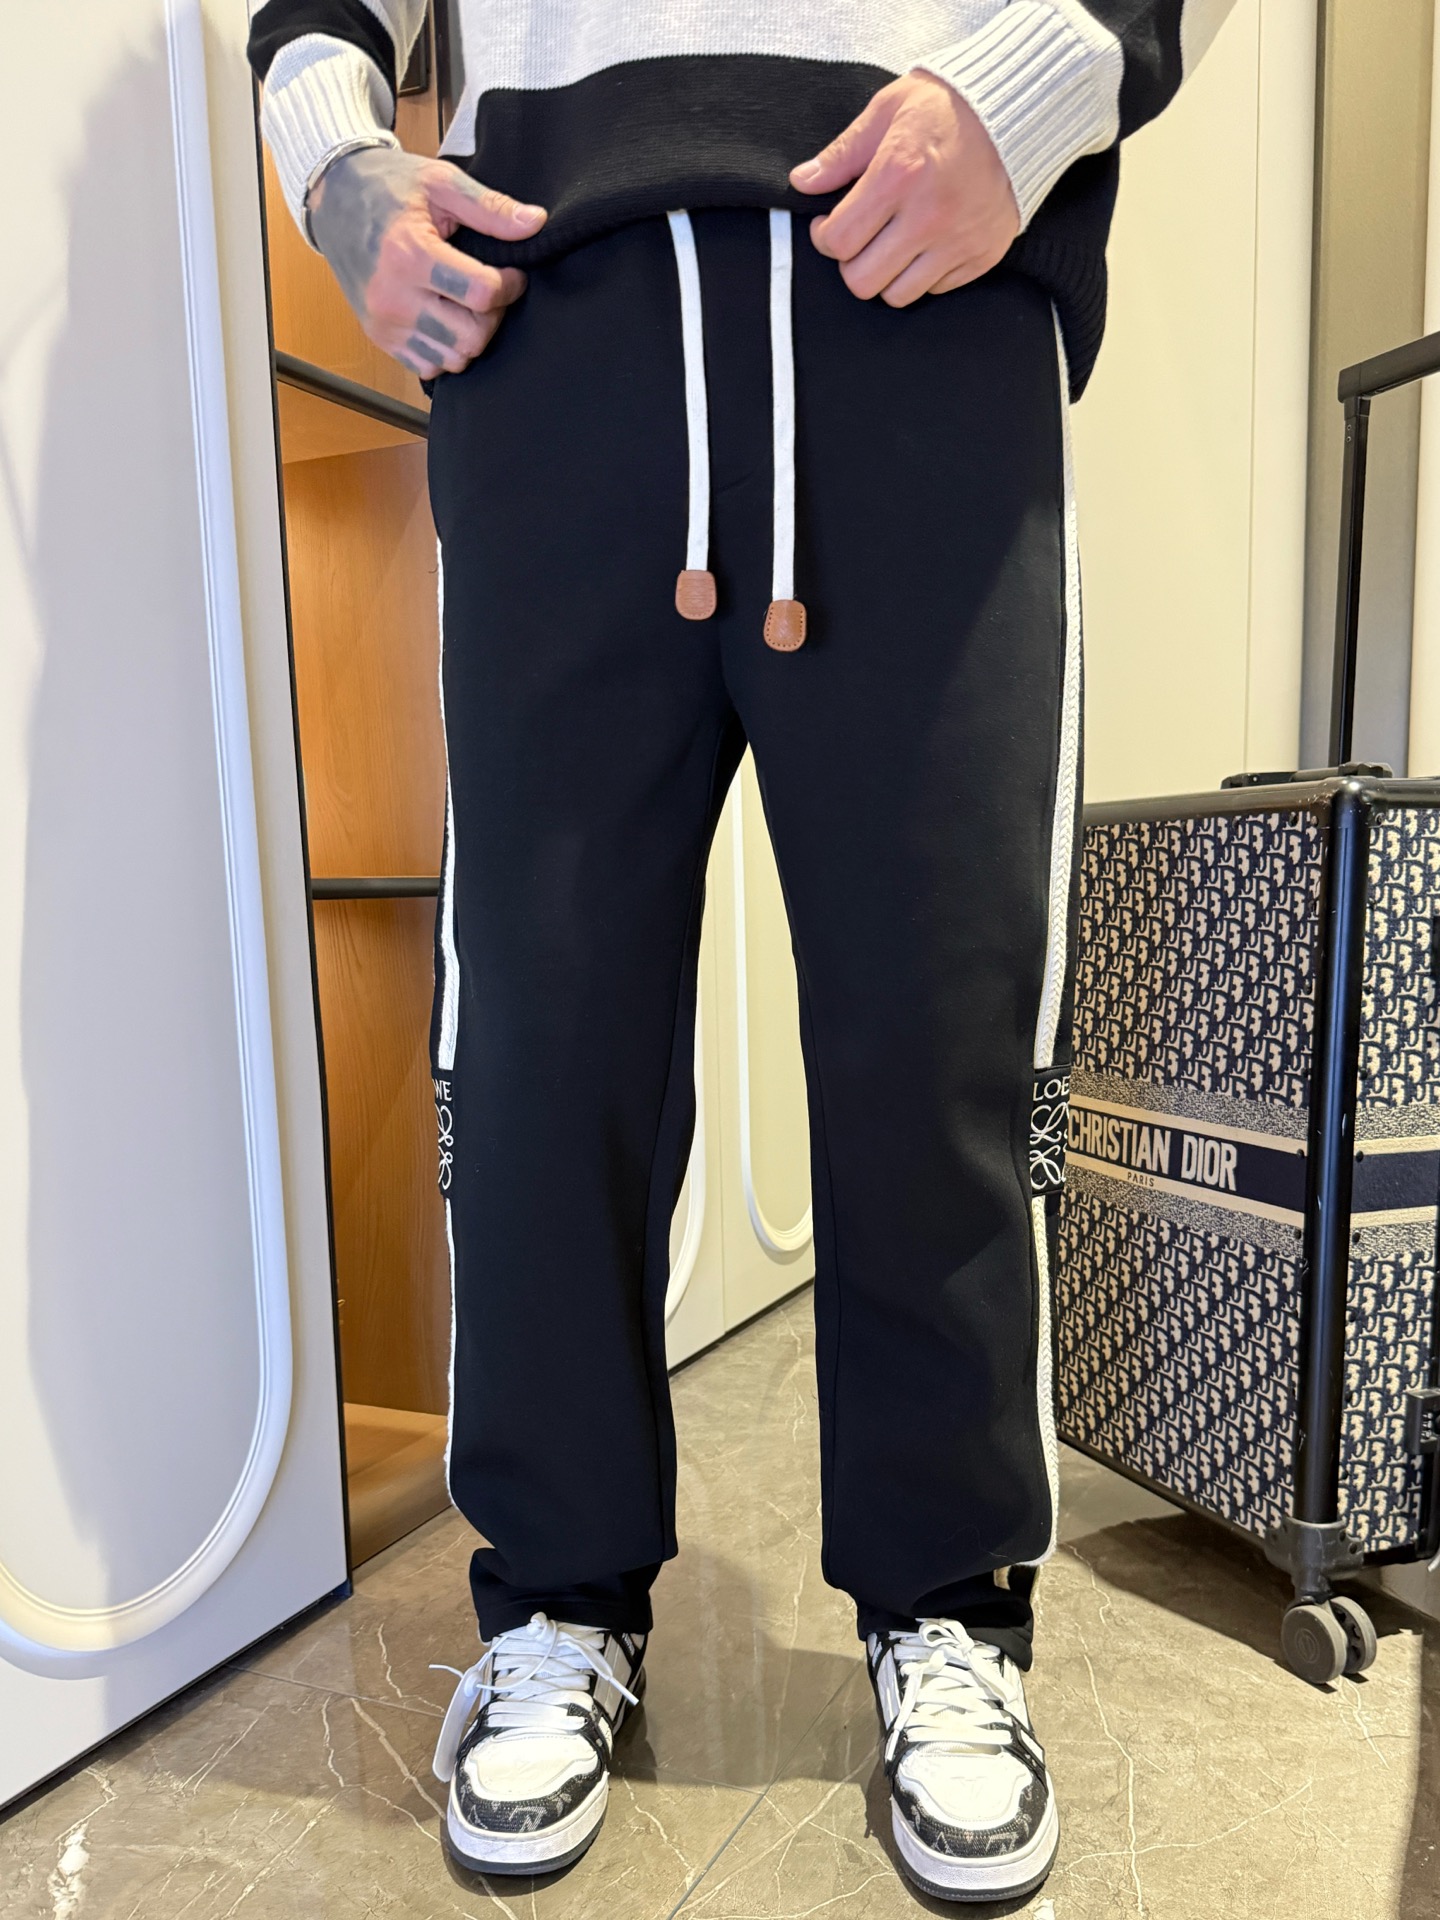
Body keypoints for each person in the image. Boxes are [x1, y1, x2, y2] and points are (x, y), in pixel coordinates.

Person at [248, 1, 1235, 1901]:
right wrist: (337, 161)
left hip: (924, 279)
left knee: (940, 1018)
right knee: (544, 1035)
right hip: (552, 325)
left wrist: (1038, 87)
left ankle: (949, 1603)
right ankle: (557, 1597)